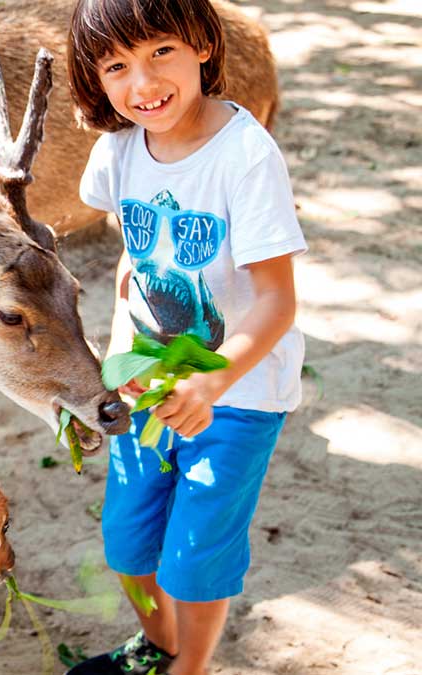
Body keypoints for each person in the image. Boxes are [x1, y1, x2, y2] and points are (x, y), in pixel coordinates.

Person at [65, 1, 307, 673]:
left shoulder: (246, 156)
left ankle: (190, 666)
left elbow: (276, 300)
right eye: (117, 66)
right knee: (127, 541)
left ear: (201, 44)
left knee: (195, 554)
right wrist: (120, 359)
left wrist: (213, 379)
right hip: (153, 384)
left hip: (239, 389)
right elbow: (132, 266)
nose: (141, 84)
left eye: (160, 53)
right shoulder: (118, 151)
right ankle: (159, 646)